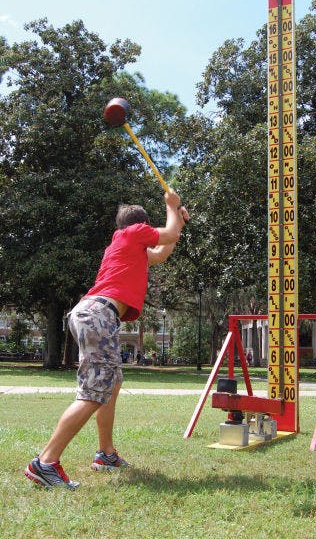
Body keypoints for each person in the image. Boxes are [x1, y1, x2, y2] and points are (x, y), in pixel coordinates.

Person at [24, 190, 189, 489]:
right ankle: (45, 462)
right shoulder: (132, 233)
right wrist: (171, 208)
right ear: (140, 226)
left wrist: (177, 219)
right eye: (147, 229)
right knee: (94, 390)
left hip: (95, 314)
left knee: (112, 382)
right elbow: (166, 234)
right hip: (98, 314)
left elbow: (164, 249)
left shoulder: (127, 248)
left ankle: (106, 454)